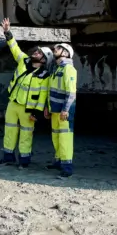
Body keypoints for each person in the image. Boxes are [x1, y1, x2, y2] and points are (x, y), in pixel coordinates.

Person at [0, 18, 53, 168]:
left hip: (28, 110)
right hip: (13, 103)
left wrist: (36, 113)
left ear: (44, 59)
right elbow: (14, 48)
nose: (35, 52)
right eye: (36, 51)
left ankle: (24, 161)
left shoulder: (44, 75)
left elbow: (42, 97)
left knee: (26, 134)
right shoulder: (24, 60)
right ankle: (8, 157)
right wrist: (7, 32)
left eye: (39, 53)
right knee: (9, 131)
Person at [45, 42, 77, 179]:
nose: (54, 49)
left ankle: (67, 168)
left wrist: (66, 109)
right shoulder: (57, 69)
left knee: (65, 139)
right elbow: (50, 91)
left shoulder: (68, 69)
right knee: (56, 137)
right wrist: (48, 107)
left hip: (63, 111)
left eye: (58, 48)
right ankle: (58, 161)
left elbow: (71, 92)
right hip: (54, 110)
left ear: (65, 53)